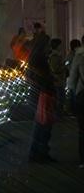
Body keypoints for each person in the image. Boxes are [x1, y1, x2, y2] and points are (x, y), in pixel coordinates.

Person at [27, 34, 55, 162]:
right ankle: (41, 153)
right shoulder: (40, 59)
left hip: (39, 94)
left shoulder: (34, 58)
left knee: (40, 125)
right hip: (43, 95)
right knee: (43, 125)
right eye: (47, 44)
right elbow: (42, 78)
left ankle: (36, 153)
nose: (49, 46)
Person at [67, 35, 84, 168]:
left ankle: (83, 159)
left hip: (82, 94)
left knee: (82, 129)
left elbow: (72, 79)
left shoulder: (79, 56)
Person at [48, 38, 65, 116]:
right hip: (57, 80)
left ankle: (59, 113)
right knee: (59, 97)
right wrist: (64, 66)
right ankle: (59, 114)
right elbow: (55, 69)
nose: (61, 46)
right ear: (57, 46)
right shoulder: (54, 56)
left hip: (59, 79)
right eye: (60, 45)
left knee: (60, 97)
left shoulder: (56, 55)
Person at [65, 39, 82, 113]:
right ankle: (75, 111)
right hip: (75, 78)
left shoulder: (70, 55)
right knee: (75, 95)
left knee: (73, 94)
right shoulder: (75, 55)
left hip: (72, 78)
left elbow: (66, 64)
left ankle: (73, 110)